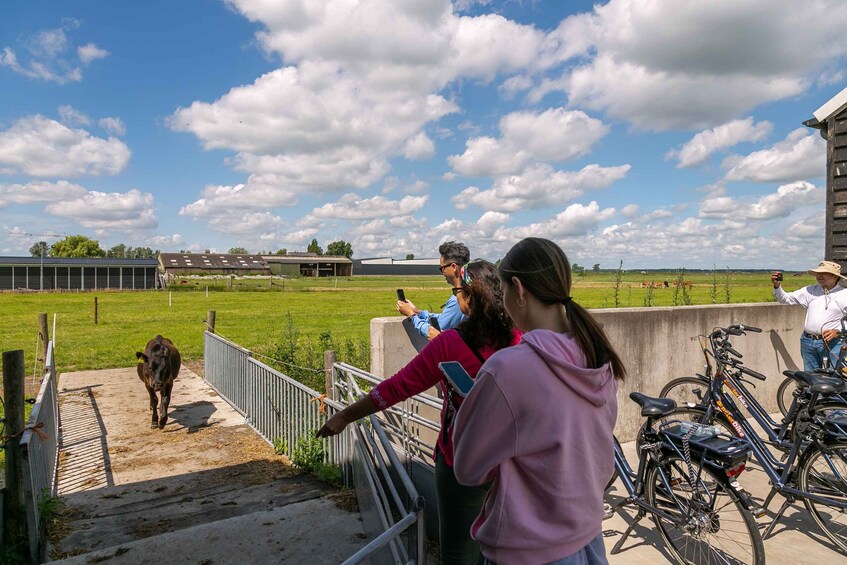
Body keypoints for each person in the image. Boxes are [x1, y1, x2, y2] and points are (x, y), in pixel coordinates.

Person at [317, 260, 520, 564]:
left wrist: (345, 415)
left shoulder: (450, 344)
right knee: (505, 546)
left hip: (461, 464)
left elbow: (396, 387)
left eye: (457, 291)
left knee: (459, 552)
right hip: (512, 460)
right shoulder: (520, 339)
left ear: (469, 297)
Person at [452, 237, 625, 565]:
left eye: (503, 291)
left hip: (527, 552)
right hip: (588, 540)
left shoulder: (508, 369)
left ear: (518, 288)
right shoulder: (598, 356)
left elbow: (467, 468)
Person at [772, 260, 847, 371]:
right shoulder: (810, 291)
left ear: (835, 277)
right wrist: (777, 285)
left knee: (835, 378)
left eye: (823, 273)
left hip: (833, 344)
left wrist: (838, 331)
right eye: (818, 273)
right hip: (808, 341)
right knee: (811, 378)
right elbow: (785, 299)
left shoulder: (844, 294)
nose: (819, 276)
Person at [398, 241, 470, 340]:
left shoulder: (458, 299)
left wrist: (412, 315)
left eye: (442, 269)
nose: (442, 273)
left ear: (453, 267)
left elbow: (436, 330)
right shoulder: (470, 291)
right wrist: (419, 313)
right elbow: (445, 318)